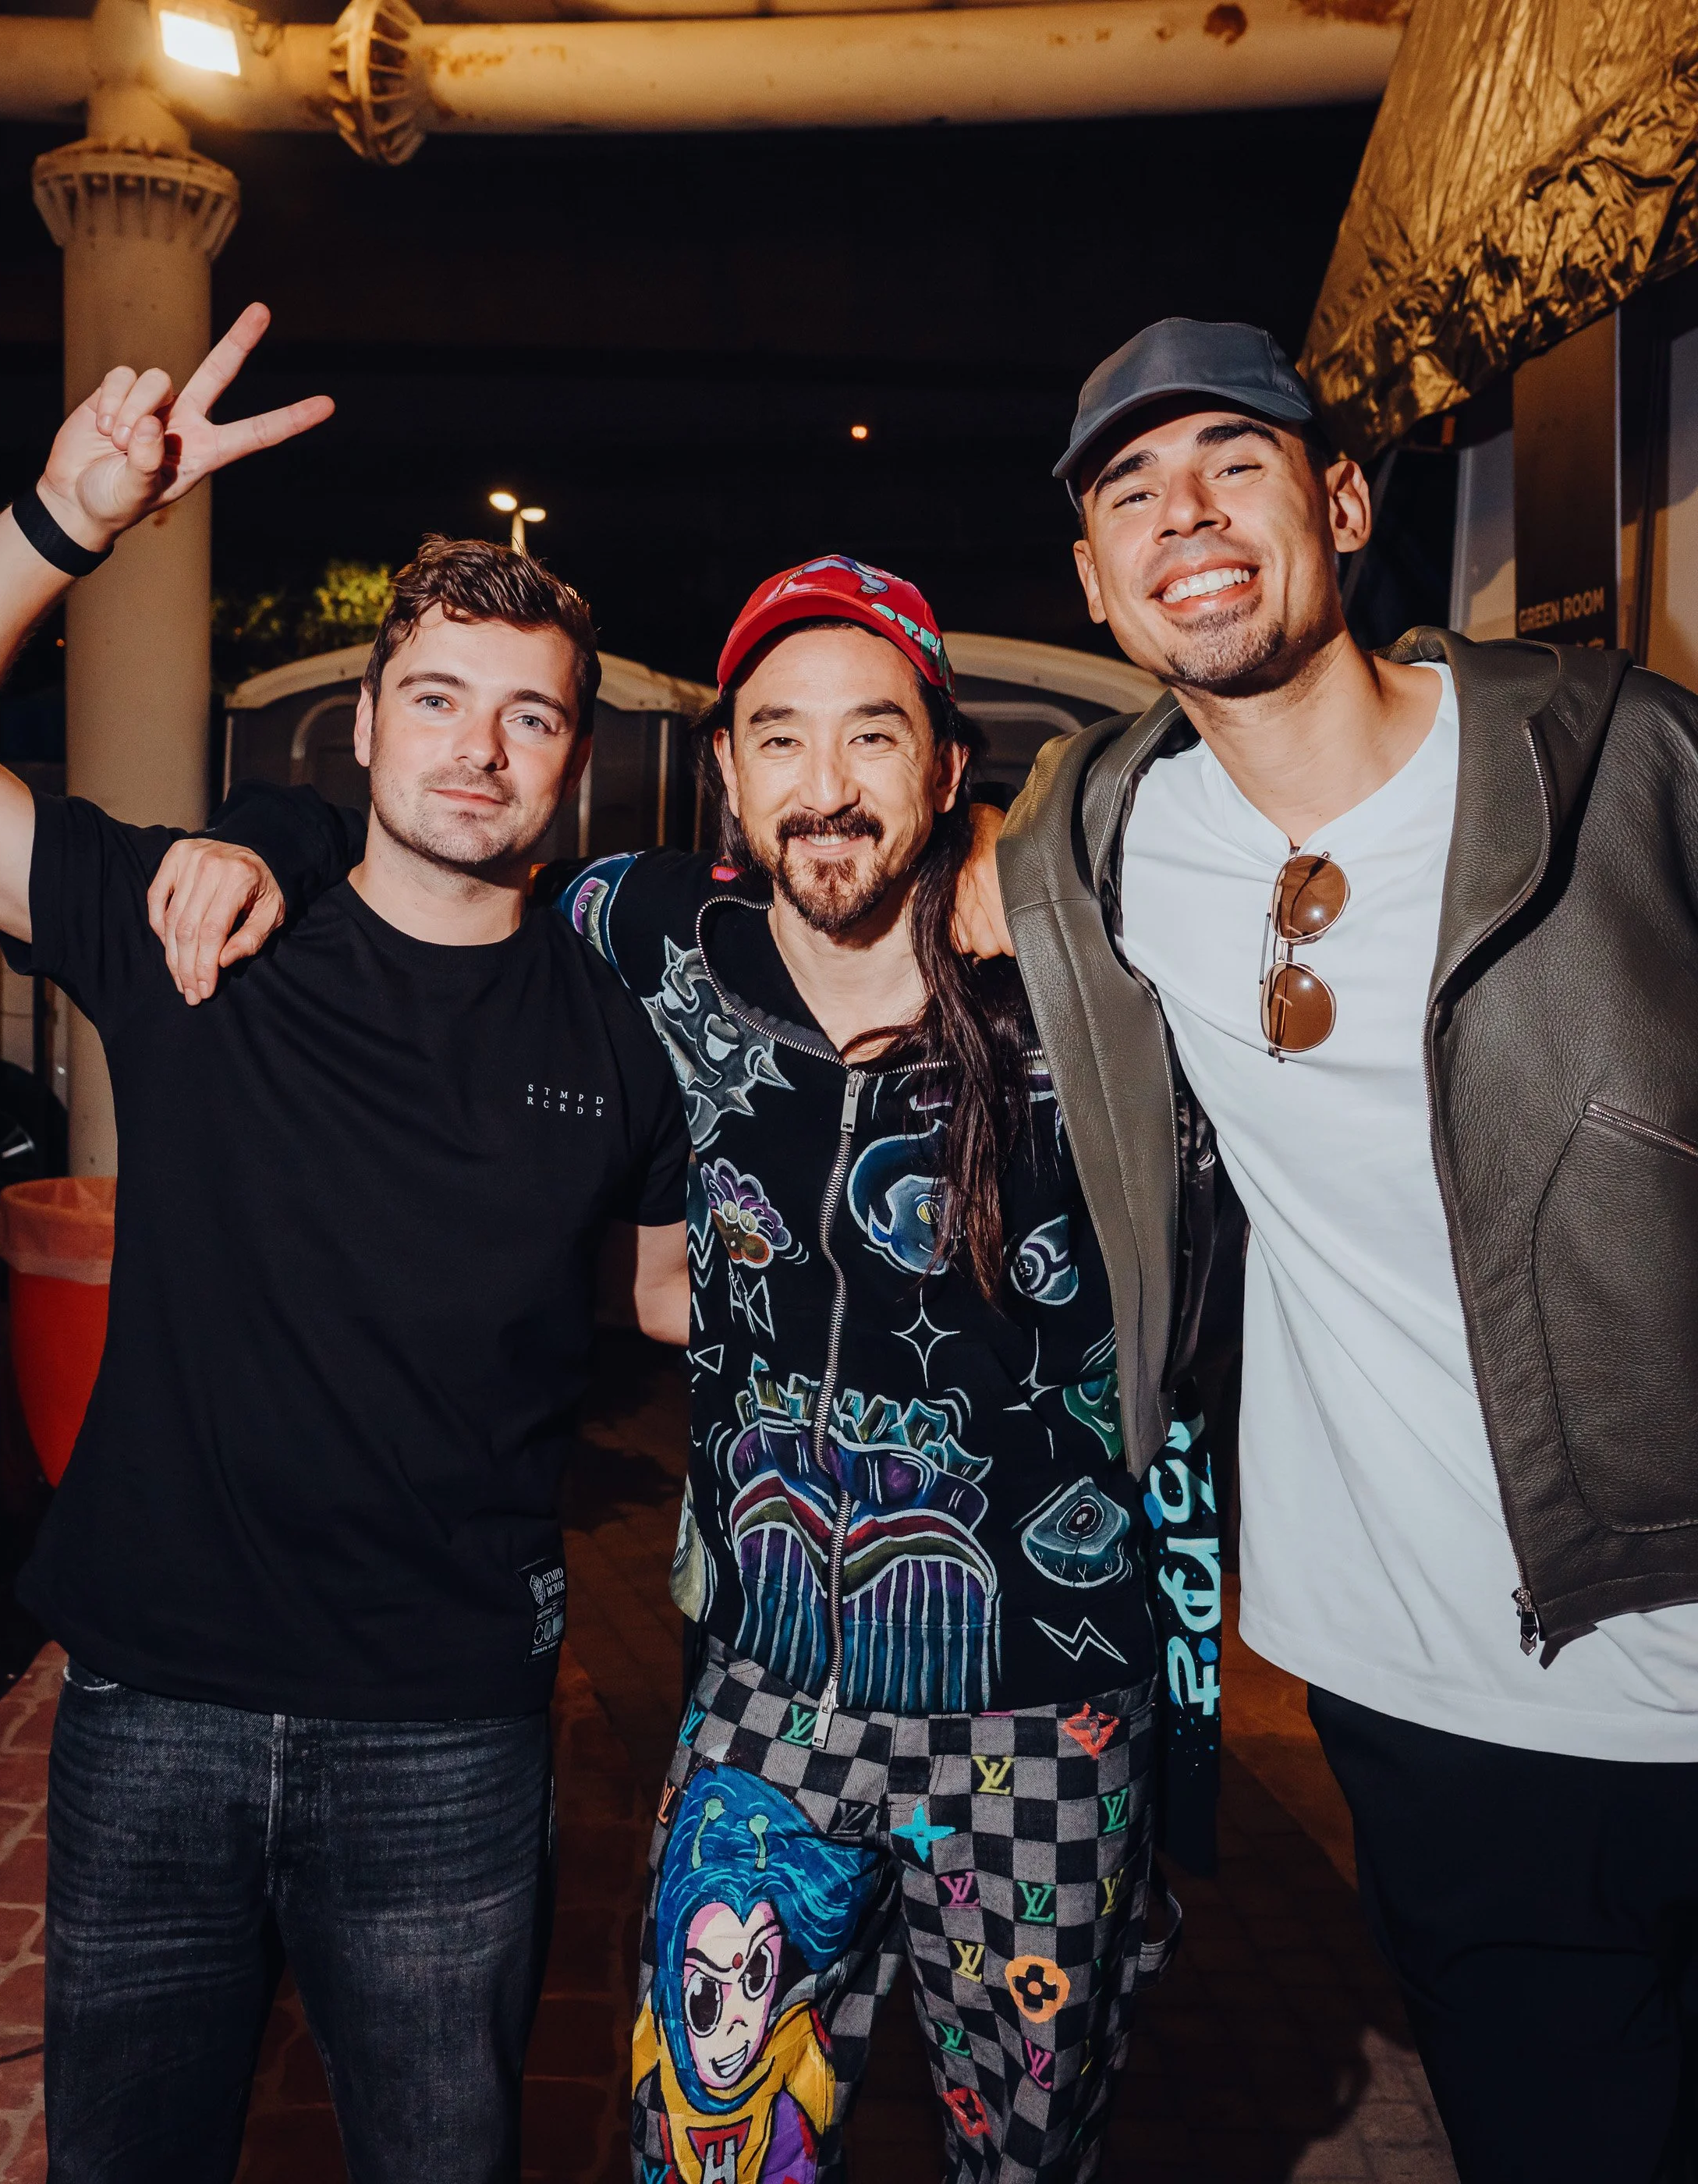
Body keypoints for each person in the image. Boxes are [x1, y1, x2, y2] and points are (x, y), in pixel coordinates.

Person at [158, 554, 1223, 2184]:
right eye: (779, 738)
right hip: (761, 1706)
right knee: (708, 2148)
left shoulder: (1097, 993)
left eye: (872, 738)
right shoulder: (644, 938)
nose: (826, 785)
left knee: (1030, 2157)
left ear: (945, 769)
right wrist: (274, 827)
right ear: (726, 771)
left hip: (1046, 1712)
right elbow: (430, 872)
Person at [0, 306, 691, 2183]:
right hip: (154, 1713)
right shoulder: (206, 934)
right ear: (361, 724)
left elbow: (666, 1285)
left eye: (528, 712)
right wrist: (56, 520)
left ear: (573, 762)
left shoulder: (619, 1040)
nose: (478, 745)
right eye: (436, 696)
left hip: (444, 1739)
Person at [955, 316, 1698, 2183]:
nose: (1183, 515)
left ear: (1341, 500)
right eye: (1130, 490)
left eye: (1232, 462)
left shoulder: (1620, 762)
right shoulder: (1093, 834)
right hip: (1421, 1691)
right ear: (1094, 581)